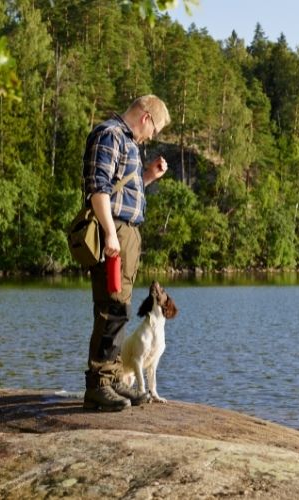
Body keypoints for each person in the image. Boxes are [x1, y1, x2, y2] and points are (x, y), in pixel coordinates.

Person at [82, 95, 171, 411]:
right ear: (146, 117)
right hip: (115, 231)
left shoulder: (129, 144)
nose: (151, 136)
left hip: (126, 232)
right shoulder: (109, 134)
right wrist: (109, 232)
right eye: (155, 129)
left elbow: (123, 189)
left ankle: (115, 379)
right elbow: (98, 187)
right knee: (110, 305)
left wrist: (148, 177)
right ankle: (99, 385)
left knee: (120, 307)